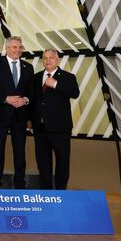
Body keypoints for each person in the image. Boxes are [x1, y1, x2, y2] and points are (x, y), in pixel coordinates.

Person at [0, 36, 34, 189]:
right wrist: (5, 98)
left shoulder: (28, 67)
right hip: (0, 114)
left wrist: (25, 100)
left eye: (20, 47)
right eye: (14, 47)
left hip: (20, 115)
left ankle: (20, 183)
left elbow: (32, 91)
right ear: (6, 48)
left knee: (19, 151)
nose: (17, 50)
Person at [31, 49, 80, 190]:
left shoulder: (68, 77)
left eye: (51, 58)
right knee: (43, 163)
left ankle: (60, 193)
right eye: (45, 58)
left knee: (62, 162)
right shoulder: (36, 77)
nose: (48, 60)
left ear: (57, 60)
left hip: (60, 128)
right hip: (40, 128)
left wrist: (56, 84)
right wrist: (30, 119)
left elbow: (75, 93)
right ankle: (46, 193)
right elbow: (33, 100)